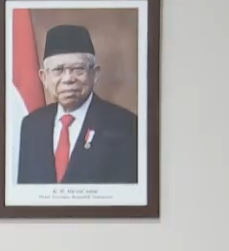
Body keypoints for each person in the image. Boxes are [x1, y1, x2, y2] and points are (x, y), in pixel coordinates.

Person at [16, 24, 138, 185]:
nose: (68, 79)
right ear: (44, 77)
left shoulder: (125, 125)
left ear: (94, 74)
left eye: (78, 69)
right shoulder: (31, 125)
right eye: (58, 70)